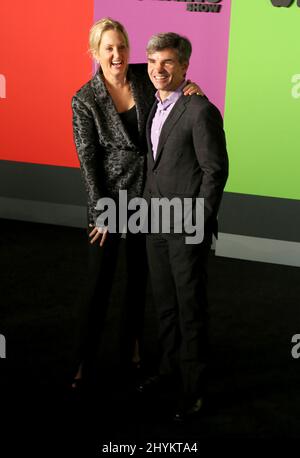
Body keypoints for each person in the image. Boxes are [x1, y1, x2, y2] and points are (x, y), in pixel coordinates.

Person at [71, 18, 203, 388]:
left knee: (137, 281)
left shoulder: (145, 75)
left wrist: (191, 87)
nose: (117, 55)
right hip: (109, 202)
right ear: (95, 53)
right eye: (109, 48)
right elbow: (88, 159)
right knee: (98, 284)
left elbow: (172, 82)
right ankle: (82, 360)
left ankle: (132, 350)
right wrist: (100, 212)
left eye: (122, 47)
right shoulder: (85, 99)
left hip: (147, 195)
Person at [138, 32, 229, 421]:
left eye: (169, 62)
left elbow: (215, 171)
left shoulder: (200, 109)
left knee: (190, 309)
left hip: (187, 226)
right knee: (165, 306)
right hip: (155, 224)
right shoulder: (151, 105)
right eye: (154, 61)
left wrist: (200, 220)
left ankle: (195, 390)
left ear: (185, 65)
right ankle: (169, 371)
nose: (159, 69)